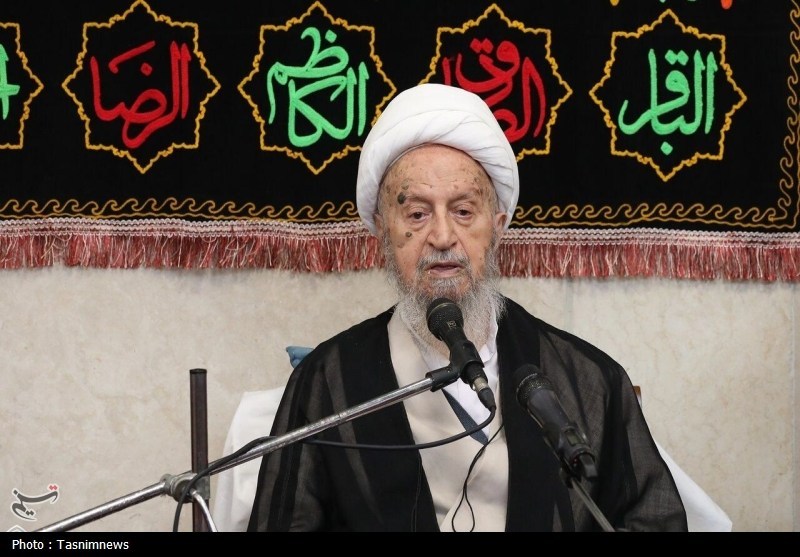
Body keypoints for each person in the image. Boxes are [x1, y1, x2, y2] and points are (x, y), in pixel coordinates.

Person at [247, 83, 688, 532]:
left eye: (463, 211)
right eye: (417, 214)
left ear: (496, 227)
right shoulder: (328, 381)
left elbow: (653, 519)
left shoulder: (587, 378)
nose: (442, 237)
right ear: (382, 231)